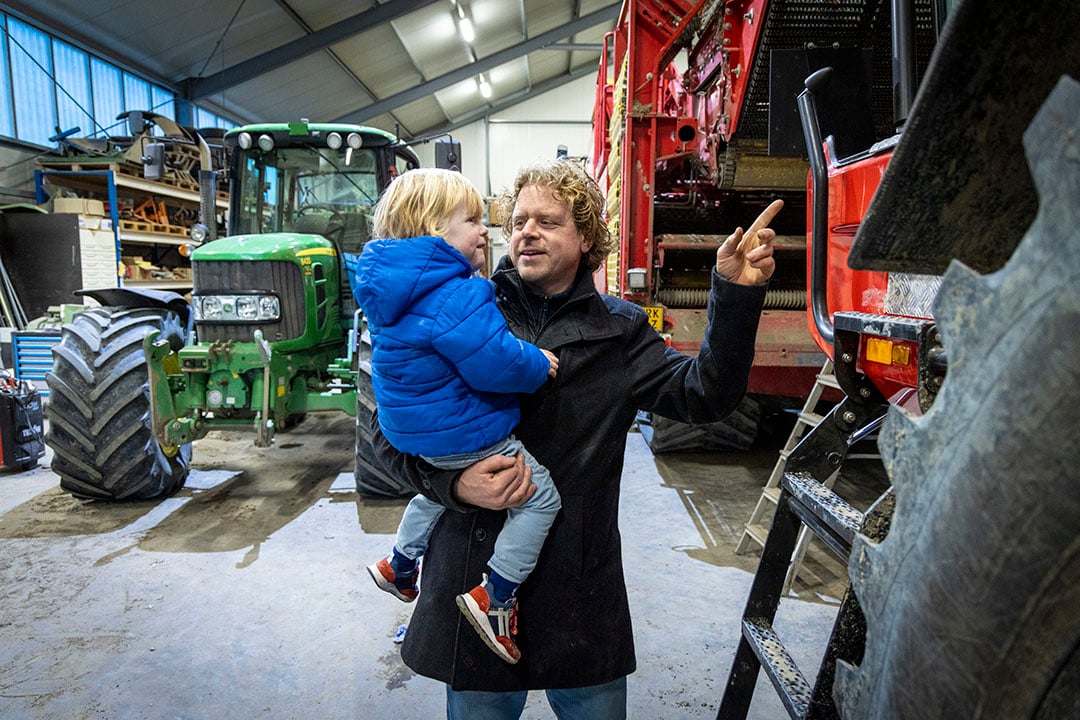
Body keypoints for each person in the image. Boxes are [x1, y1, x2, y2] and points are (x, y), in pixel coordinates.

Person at [372, 159, 781, 719]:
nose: (526, 232)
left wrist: (733, 296)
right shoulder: (461, 310)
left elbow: (706, 395)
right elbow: (388, 437)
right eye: (517, 221)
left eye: (547, 220)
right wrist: (453, 484)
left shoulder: (621, 331)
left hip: (578, 589)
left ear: (585, 236)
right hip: (472, 579)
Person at [352, 168, 562, 666]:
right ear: (432, 230)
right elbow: (498, 362)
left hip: (414, 435)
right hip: (465, 431)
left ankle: (401, 563)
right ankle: (498, 596)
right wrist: (539, 363)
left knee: (436, 492)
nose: (483, 230)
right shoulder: (459, 293)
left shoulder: (389, 294)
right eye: (472, 220)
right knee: (541, 499)